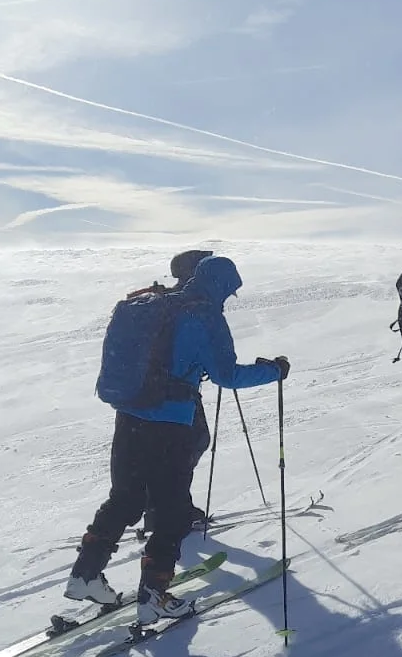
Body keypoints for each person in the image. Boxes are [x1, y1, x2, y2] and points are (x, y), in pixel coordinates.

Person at [65, 255, 290, 624]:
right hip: (169, 424)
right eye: (230, 291)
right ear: (220, 285)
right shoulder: (205, 316)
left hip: (130, 414)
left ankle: (85, 574)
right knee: (171, 510)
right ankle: (153, 595)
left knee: (125, 497)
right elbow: (227, 375)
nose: (229, 299)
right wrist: (274, 371)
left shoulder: (160, 302)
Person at [140, 249, 213, 536]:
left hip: (153, 391)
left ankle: (161, 510)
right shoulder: (190, 303)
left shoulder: (165, 300)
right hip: (177, 392)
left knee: (172, 451)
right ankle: (172, 511)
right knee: (190, 445)